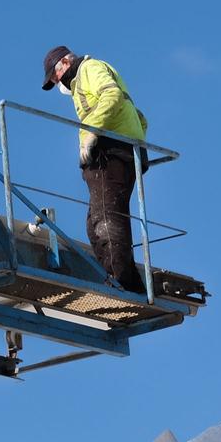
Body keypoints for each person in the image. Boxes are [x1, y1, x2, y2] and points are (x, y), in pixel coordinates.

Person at [42, 44, 149, 293]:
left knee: (106, 219)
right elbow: (140, 117)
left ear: (65, 63)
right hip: (119, 149)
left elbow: (111, 96)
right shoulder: (90, 74)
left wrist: (92, 133)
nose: (58, 82)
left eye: (56, 75)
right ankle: (124, 279)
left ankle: (122, 283)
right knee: (96, 222)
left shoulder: (89, 68)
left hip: (110, 150)